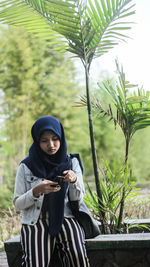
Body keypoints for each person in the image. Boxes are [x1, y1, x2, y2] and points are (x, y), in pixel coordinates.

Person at [13, 116, 90, 267]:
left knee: (79, 258)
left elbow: (79, 199)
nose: (51, 144)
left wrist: (74, 181)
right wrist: (35, 191)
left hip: (66, 217)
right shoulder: (26, 166)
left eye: (55, 138)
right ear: (37, 141)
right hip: (36, 221)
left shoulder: (71, 162)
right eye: (44, 140)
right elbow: (17, 203)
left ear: (61, 137)